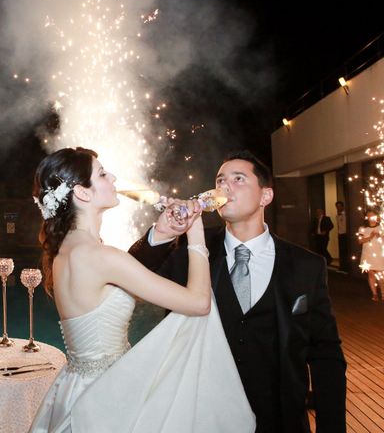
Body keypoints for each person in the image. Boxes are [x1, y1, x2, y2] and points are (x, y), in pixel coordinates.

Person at [29, 147, 254, 433]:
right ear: (83, 193)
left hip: (76, 386)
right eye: (101, 173)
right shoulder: (101, 256)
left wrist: (162, 232)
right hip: (107, 395)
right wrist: (195, 233)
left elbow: (115, 287)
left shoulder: (67, 251)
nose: (113, 177)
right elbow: (199, 303)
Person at [129, 151, 346, 433]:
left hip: (280, 420)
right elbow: (129, 275)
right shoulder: (188, 251)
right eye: (220, 181)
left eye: (238, 179)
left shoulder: (306, 265)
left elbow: (325, 355)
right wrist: (162, 232)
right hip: (201, 417)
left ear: (265, 196)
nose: (224, 187)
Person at [357, 210, 384, 301]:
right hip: (367, 254)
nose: (371, 218)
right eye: (369, 216)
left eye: (372, 216)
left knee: (380, 275)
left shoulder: (381, 227)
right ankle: (375, 294)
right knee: (371, 274)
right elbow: (360, 241)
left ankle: (383, 293)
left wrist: (380, 237)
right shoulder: (362, 228)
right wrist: (370, 237)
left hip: (380, 254)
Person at [336, 201, 349, 271]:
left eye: (339, 206)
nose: (338, 208)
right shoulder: (337, 215)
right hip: (340, 234)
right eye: (337, 206)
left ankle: (346, 267)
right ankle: (342, 266)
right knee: (341, 251)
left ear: (342, 207)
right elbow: (339, 226)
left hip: (345, 234)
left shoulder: (346, 215)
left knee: (345, 251)